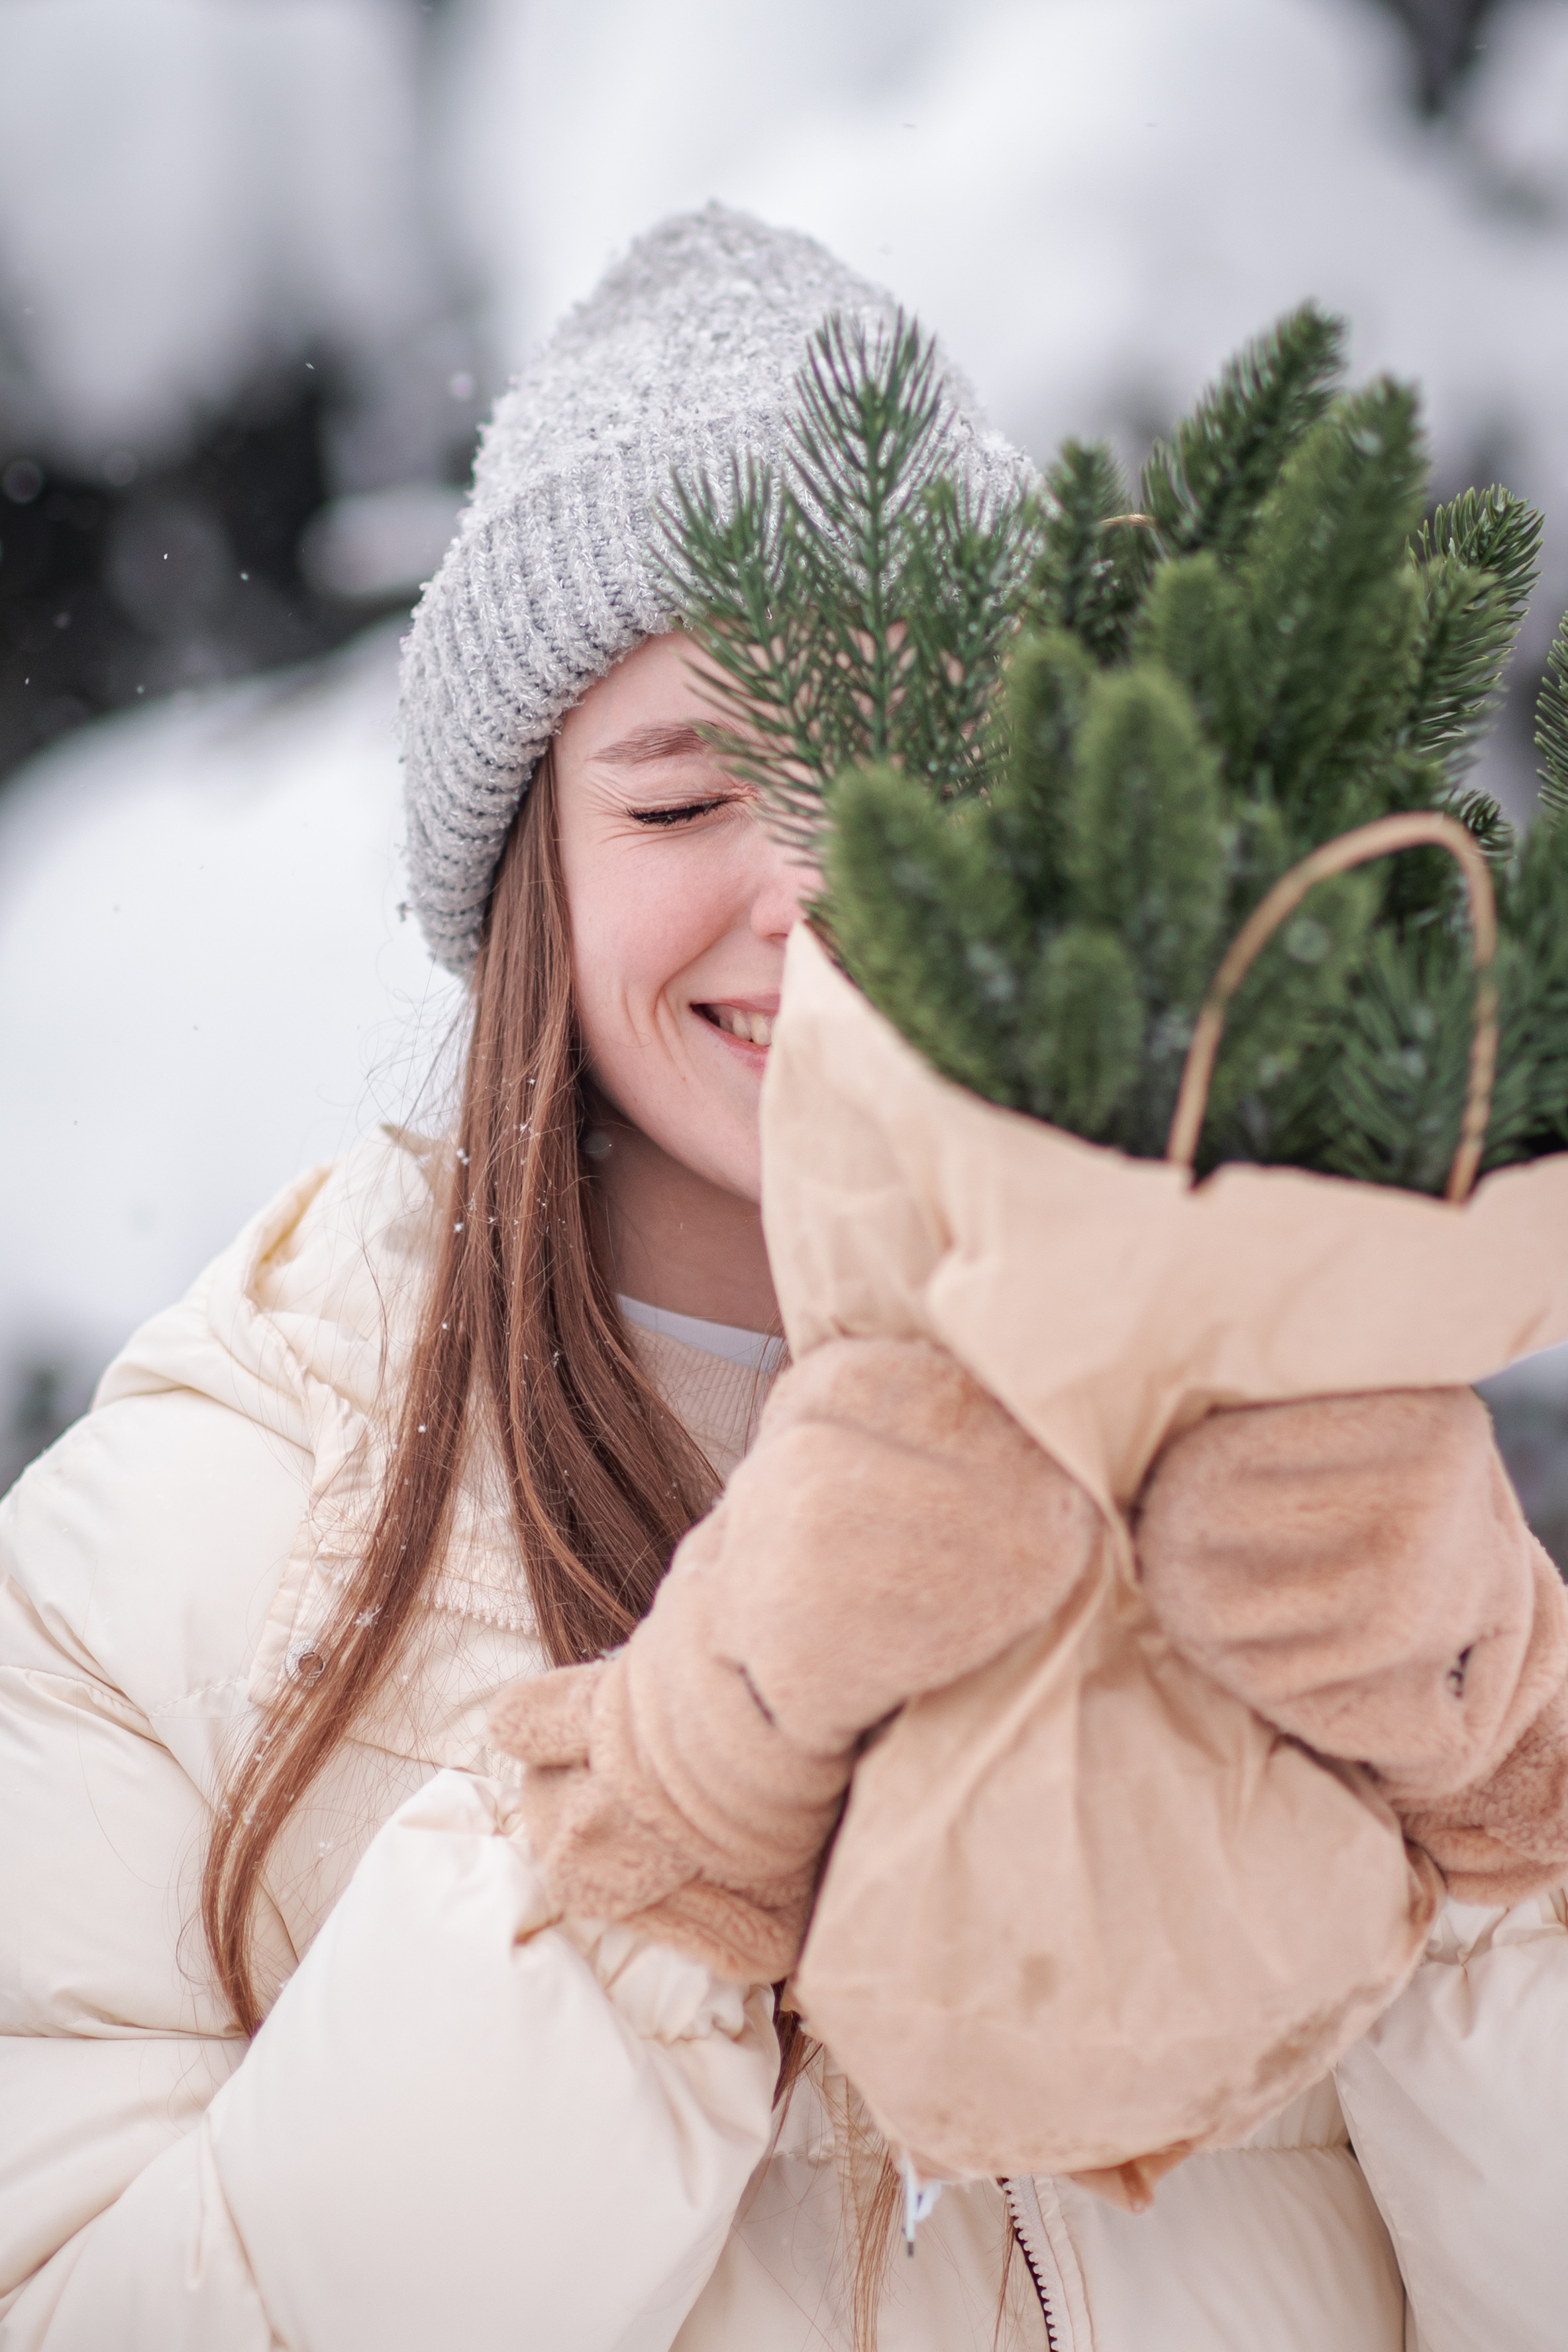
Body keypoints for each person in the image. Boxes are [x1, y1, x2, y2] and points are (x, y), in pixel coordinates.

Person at [1, 203, 1565, 2352]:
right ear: (528, 870)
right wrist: (665, 1811)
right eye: (685, 798)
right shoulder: (175, 1555)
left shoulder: (1273, 1439)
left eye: (909, 771)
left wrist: (1501, 1797)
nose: (817, 891)